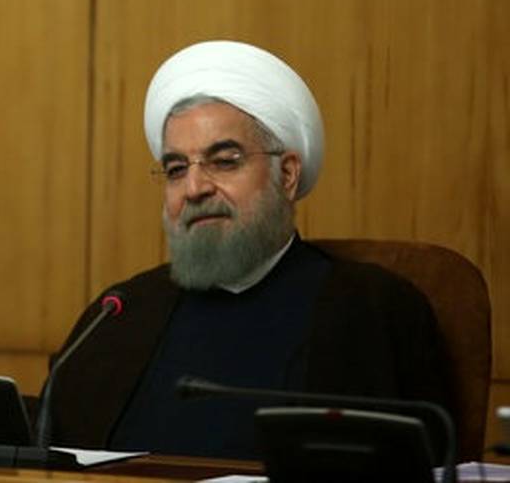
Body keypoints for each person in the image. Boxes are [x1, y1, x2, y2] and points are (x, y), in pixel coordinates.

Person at [42, 40, 451, 459]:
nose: (194, 188)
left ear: (286, 175)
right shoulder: (120, 314)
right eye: (176, 169)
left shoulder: (372, 310)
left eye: (224, 161)